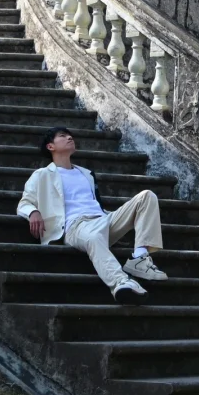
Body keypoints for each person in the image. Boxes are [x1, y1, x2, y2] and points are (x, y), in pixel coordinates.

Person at [17, 127, 168, 304]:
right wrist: (33, 212)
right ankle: (121, 283)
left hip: (103, 219)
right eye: (63, 136)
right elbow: (24, 202)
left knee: (146, 196)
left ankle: (139, 258)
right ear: (51, 146)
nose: (69, 137)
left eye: (70, 135)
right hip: (76, 226)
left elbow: (94, 203)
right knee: (94, 237)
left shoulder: (85, 173)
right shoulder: (42, 175)